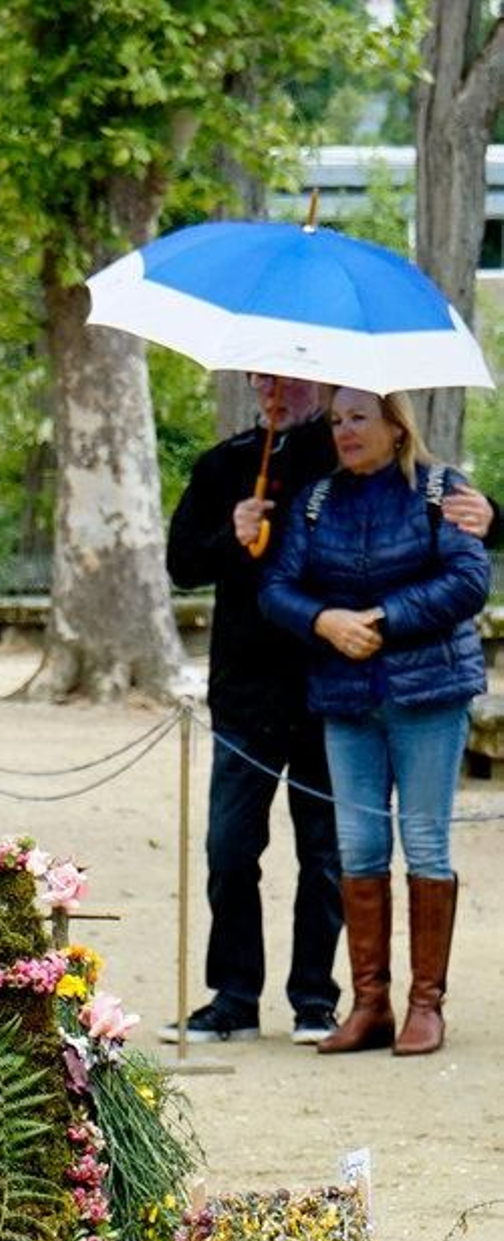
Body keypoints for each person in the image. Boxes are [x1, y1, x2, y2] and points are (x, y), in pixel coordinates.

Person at [163, 377, 495, 1047]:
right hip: (258, 691)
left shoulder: (372, 462)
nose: (274, 389)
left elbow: (472, 535)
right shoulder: (229, 463)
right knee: (233, 849)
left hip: (340, 688)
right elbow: (188, 564)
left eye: (291, 378)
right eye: (262, 377)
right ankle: (234, 996)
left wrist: (383, 613)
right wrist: (236, 537)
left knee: (334, 851)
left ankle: (321, 996)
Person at [259, 387, 492, 1057]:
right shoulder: (316, 501)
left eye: (358, 417)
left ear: (396, 425)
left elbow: (468, 579)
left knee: (425, 844)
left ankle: (426, 1004)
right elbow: (277, 587)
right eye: (336, 420)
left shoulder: (442, 489)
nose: (344, 431)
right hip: (344, 697)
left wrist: (384, 618)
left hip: (428, 693)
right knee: (358, 849)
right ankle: (369, 1005)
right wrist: (322, 620)